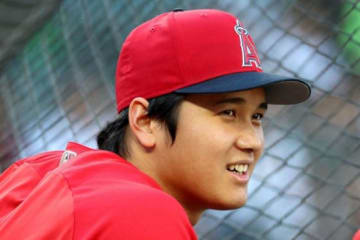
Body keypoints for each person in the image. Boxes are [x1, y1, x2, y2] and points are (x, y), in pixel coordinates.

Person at [0, 9, 310, 239]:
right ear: (145, 121)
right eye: (228, 113)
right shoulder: (142, 212)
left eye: (257, 117)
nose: (252, 141)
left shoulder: (39, 175)